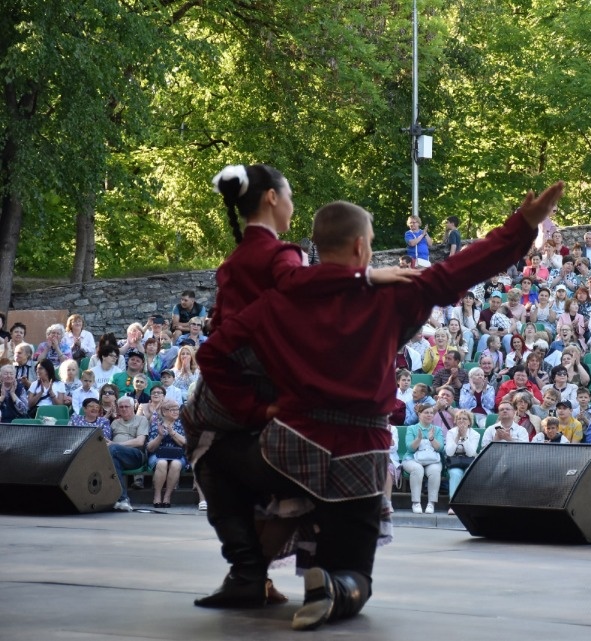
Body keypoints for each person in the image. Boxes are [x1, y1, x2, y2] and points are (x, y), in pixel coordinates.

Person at [189, 182, 565, 629]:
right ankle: (331, 584)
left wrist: (255, 411)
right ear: (362, 246)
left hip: (288, 446)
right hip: (360, 455)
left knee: (213, 455)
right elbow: (462, 269)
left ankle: (247, 569)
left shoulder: (275, 302)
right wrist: (522, 224)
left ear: (316, 246)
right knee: (353, 576)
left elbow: (211, 354)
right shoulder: (391, 293)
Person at [108, 396, 149, 512]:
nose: (124, 409)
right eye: (121, 407)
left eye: (127, 406)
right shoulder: (115, 423)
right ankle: (123, 500)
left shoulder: (142, 420)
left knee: (113, 449)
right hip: (116, 455)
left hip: (136, 456)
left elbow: (140, 441)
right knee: (113, 460)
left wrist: (116, 445)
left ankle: (121, 498)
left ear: (133, 408)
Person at [146, 399, 187, 508]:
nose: (176, 412)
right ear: (164, 412)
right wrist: (160, 436)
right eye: (172, 409)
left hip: (178, 455)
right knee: (162, 463)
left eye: (177, 409)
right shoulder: (156, 425)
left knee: (176, 464)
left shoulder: (182, 424)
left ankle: (167, 496)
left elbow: (184, 443)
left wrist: (172, 432)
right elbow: (150, 448)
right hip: (157, 455)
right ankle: (157, 495)